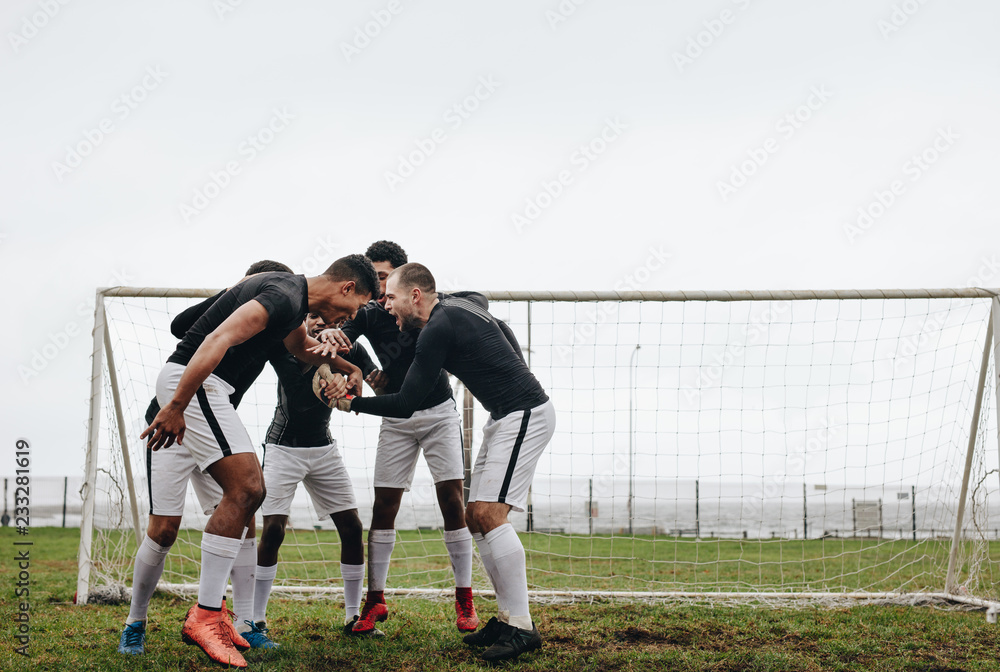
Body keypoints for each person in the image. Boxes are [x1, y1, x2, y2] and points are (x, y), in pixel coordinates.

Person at [142, 254, 377, 668]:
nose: (348, 318)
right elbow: (216, 340)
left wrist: (347, 364)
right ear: (347, 288)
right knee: (249, 488)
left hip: (207, 388)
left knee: (247, 497)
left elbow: (303, 350)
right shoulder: (285, 295)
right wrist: (176, 403)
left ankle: (215, 615)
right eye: (354, 308)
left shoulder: (294, 305)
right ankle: (206, 616)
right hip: (197, 383)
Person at [323, 262, 555, 663]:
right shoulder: (454, 305)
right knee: (476, 516)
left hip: (525, 414)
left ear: (415, 296)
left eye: (391, 297)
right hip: (503, 417)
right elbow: (488, 311)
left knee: (489, 514)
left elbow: (407, 402)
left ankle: (521, 627)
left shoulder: (435, 330)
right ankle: (507, 618)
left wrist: (351, 404)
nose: (386, 305)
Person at [118, 260, 293, 656]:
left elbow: (299, 352)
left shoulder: (272, 329)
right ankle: (135, 623)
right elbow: (181, 323)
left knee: (245, 516)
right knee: (163, 531)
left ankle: (247, 623)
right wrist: (237, 292)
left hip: (214, 427)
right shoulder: (232, 319)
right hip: (174, 426)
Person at [322, 241, 477, 636]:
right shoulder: (372, 312)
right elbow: (345, 335)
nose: (378, 285)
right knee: (385, 504)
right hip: (395, 416)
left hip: (439, 412)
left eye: (385, 277)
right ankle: (375, 601)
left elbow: (475, 300)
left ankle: (464, 599)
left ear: (408, 284)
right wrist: (337, 349)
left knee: (452, 500)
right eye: (373, 278)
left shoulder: (429, 309)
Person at [251, 311, 375, 645]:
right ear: (303, 320)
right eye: (313, 316)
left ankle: (352, 616)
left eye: (328, 317)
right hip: (283, 447)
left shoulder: (348, 350)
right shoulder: (286, 346)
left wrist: (349, 387)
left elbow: (368, 389)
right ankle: (255, 619)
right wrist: (326, 372)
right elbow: (302, 370)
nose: (320, 322)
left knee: (352, 527)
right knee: (274, 529)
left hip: (323, 449)